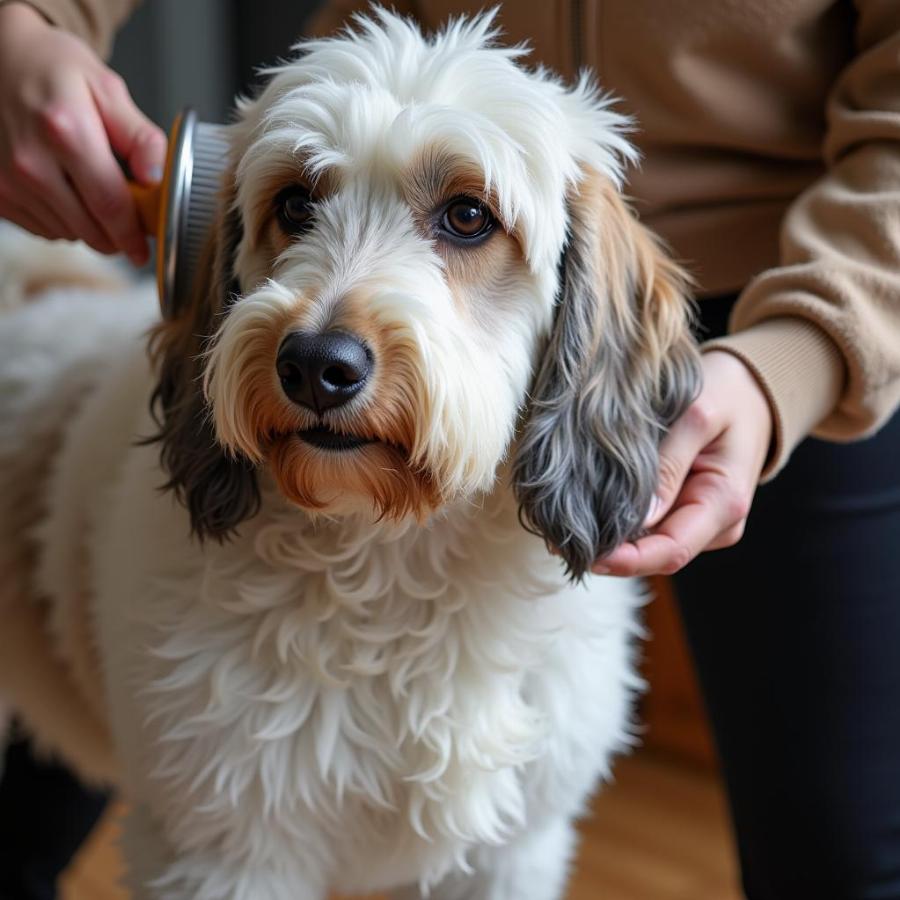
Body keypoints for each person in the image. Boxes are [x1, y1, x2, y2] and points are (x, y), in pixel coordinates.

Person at [0, 1, 898, 898]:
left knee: (842, 855)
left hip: (798, 245)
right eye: (299, 208)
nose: (322, 341)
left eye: (465, 219)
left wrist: (801, 354)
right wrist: (30, 17)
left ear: (568, 317)